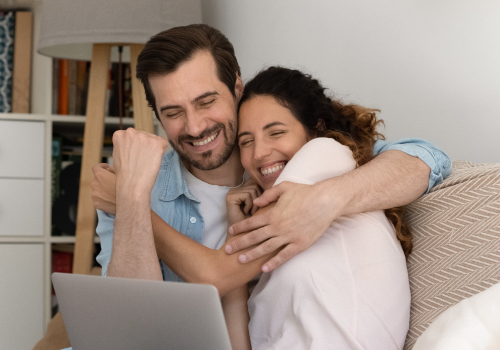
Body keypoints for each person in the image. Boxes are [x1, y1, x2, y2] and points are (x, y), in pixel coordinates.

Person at [92, 23, 450, 284]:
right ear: (157, 115)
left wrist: (327, 199)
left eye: (207, 101)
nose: (195, 126)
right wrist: (132, 200)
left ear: (236, 86)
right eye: (173, 112)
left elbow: (427, 159)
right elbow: (130, 321)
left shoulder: (295, 164)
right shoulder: (135, 187)